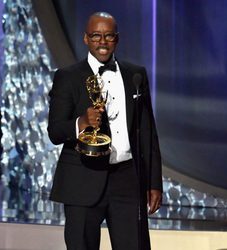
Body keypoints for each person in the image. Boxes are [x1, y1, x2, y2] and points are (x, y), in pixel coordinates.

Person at [47, 11, 162, 250]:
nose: (102, 41)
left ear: (117, 39)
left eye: (108, 36)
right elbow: (55, 131)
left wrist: (153, 182)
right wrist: (81, 121)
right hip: (82, 178)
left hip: (127, 180)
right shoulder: (67, 77)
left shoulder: (135, 75)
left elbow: (148, 132)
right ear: (86, 39)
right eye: (96, 35)